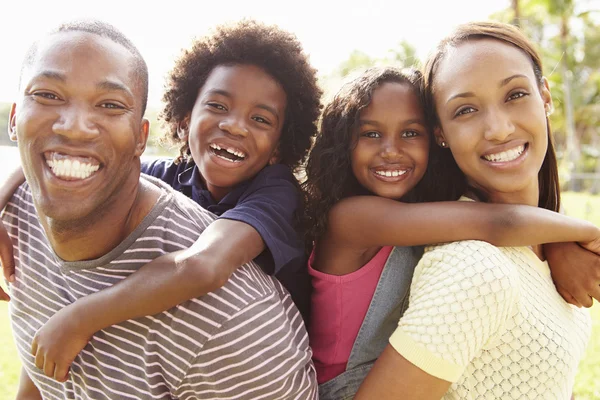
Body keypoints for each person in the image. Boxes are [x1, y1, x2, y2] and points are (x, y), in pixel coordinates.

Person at [3, 20, 316, 399]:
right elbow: (85, 160)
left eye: (260, 119)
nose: (234, 126)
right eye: (217, 106)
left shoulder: (277, 194)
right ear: (184, 121)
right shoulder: (170, 176)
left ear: (280, 149)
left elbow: (203, 266)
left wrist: (81, 318)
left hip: (247, 364)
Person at [303, 66, 600, 399]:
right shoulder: (351, 218)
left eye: (411, 133)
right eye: (371, 134)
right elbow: (493, 223)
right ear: (344, 143)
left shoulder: (418, 210)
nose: (391, 149)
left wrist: (557, 249)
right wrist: (585, 233)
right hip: (346, 389)